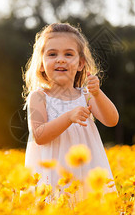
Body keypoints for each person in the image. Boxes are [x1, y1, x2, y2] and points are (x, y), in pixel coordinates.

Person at [22, 22, 119, 204]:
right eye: (52, 54)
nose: (61, 59)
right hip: (53, 173)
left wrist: (97, 93)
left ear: (81, 63)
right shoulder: (38, 97)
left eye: (68, 54)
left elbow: (111, 120)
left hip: (86, 170)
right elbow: (39, 135)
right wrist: (68, 117)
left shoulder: (87, 95)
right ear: (41, 64)